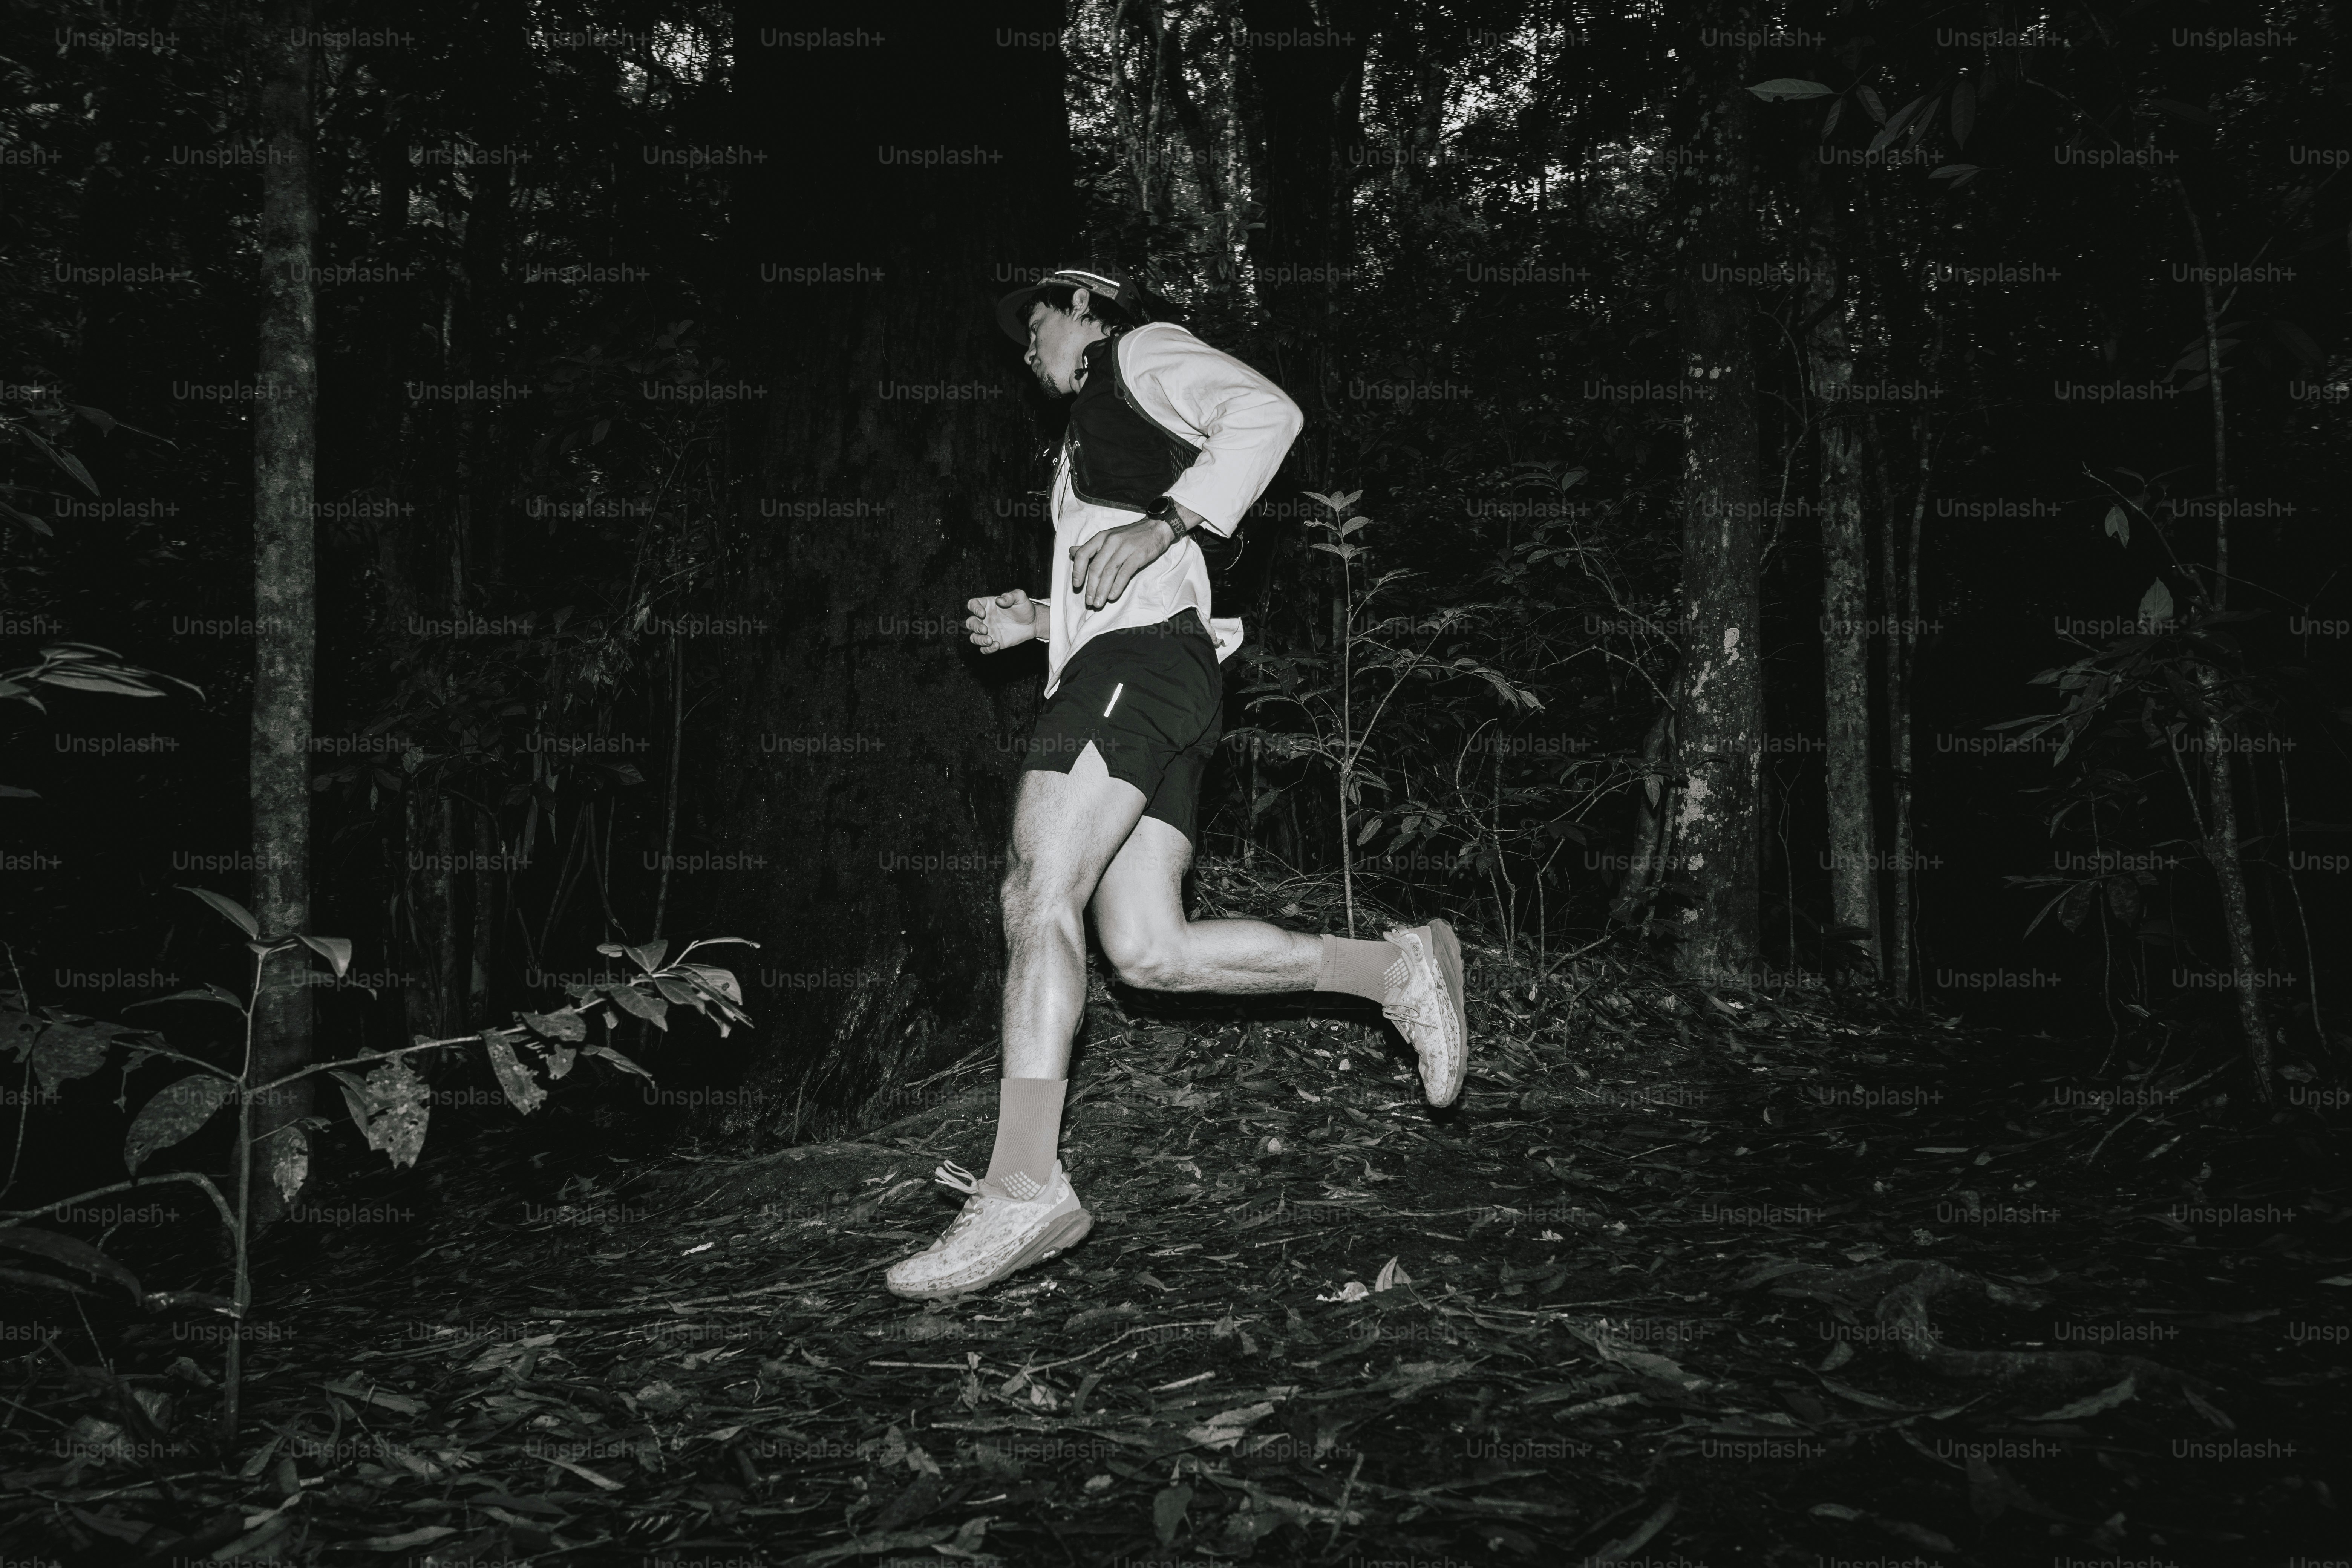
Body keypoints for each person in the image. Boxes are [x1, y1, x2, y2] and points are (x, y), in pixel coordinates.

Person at [884, 265, 1467, 1300]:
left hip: (1140, 673)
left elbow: (1269, 413)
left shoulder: (1140, 353)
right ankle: (1395, 973)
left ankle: (1023, 1182)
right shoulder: (1087, 445)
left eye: (1036, 327)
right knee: (1150, 952)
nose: (1030, 351)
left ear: (1081, 306)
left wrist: (1165, 522)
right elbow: (1139, 578)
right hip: (1159, 671)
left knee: (1035, 890)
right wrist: (1043, 622)